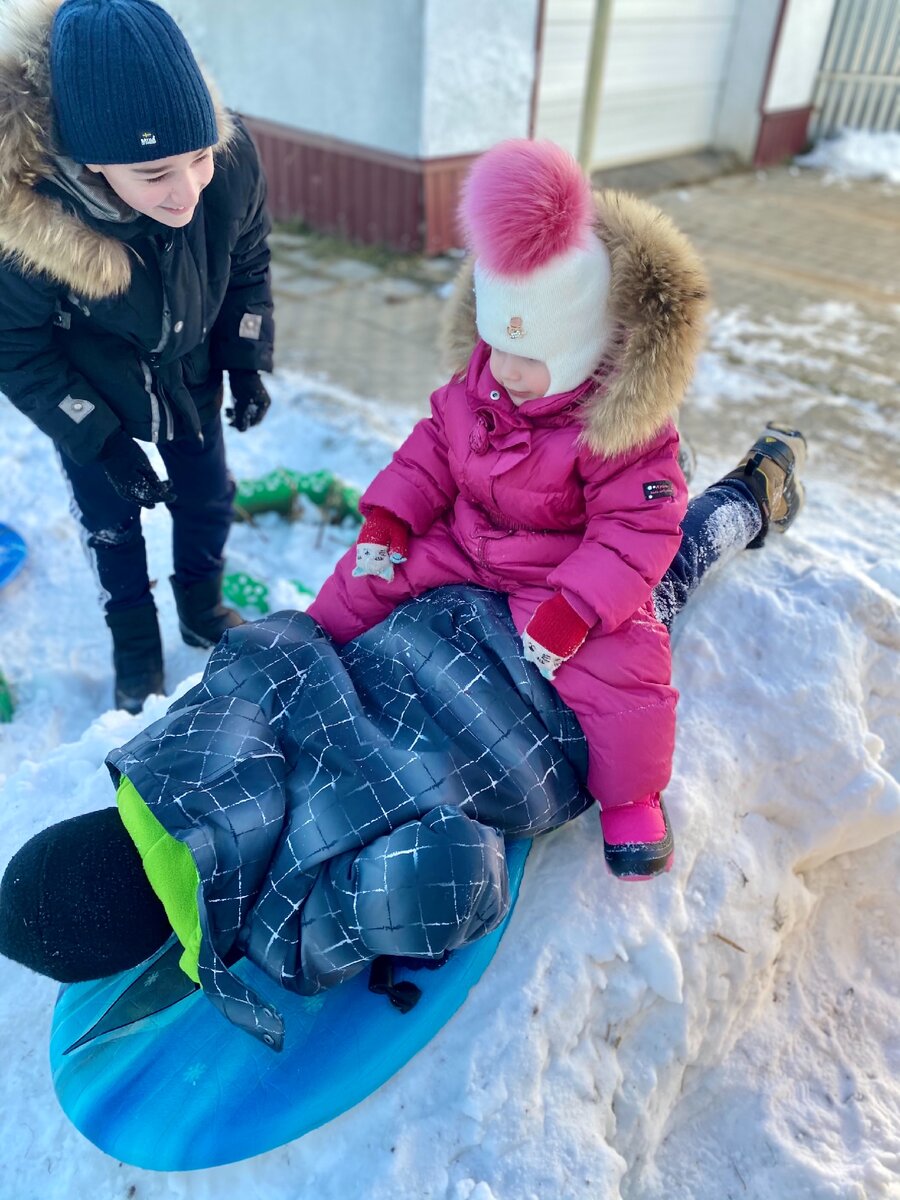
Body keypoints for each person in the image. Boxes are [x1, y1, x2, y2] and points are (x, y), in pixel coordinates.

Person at [0, 423, 807, 1049]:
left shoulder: (279, 925)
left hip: (538, 720)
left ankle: (742, 498)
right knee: (574, 555)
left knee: (657, 590)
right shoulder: (195, 741)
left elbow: (460, 871)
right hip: (447, 618)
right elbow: (277, 643)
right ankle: (641, 481)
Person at [306, 139, 799, 881]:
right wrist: (391, 519)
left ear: (581, 344)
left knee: (624, 668)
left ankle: (634, 800)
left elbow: (637, 531)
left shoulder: (616, 427)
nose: (501, 372)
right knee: (372, 570)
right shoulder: (488, 379)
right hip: (474, 542)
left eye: (527, 355)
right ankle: (313, 645)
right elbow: (434, 447)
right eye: (495, 344)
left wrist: (577, 606)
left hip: (562, 568)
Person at [0, 0, 275, 714]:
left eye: (198, 158)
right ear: (91, 163)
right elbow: (17, 350)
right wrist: (101, 441)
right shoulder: (34, 233)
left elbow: (247, 261)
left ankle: (201, 607)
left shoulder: (231, 166)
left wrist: (244, 358)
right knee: (113, 527)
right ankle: (135, 650)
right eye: (154, 174)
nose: (186, 191)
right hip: (94, 396)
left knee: (208, 498)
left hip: (188, 380)